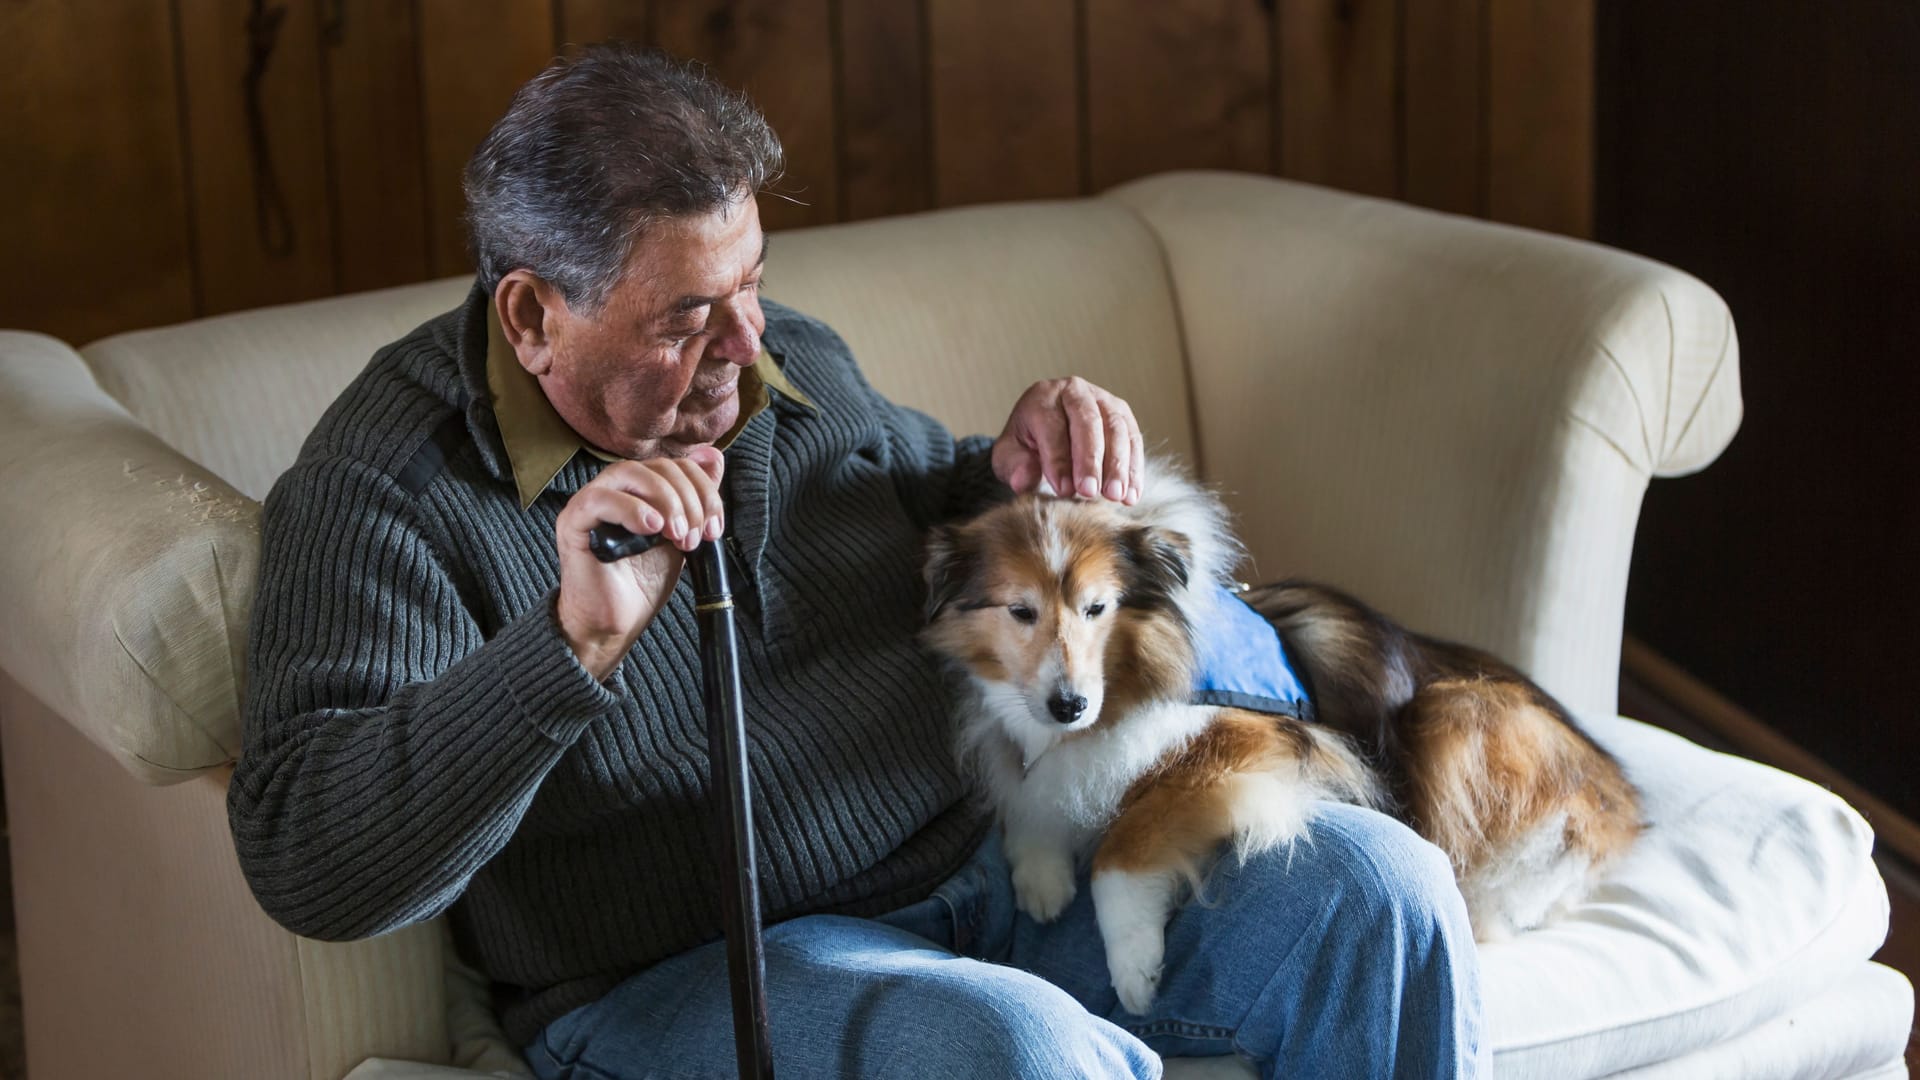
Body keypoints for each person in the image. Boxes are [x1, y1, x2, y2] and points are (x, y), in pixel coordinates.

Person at [228, 45, 1484, 1080]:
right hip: (694, 975)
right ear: (531, 316)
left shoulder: (786, 369)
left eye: (753, 284)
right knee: (1018, 1053)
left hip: (977, 876)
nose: (745, 343)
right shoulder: (383, 495)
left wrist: (1025, 467)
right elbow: (308, 854)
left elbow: (929, 495)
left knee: (1383, 891)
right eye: (686, 317)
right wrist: (569, 649)